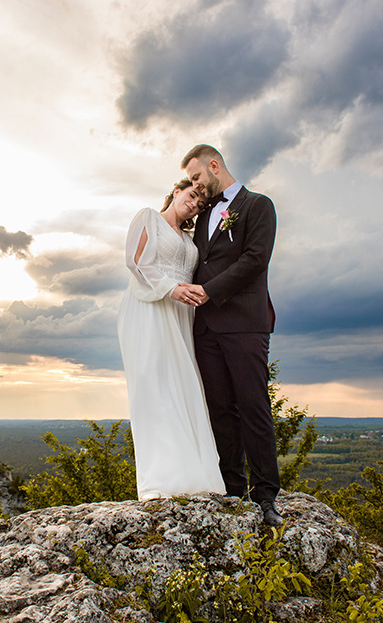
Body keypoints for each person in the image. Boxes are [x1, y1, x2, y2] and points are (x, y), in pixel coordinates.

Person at [175, 144, 283, 527]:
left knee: (253, 407)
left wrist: (209, 291)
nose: (196, 185)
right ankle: (233, 490)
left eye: (197, 177)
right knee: (220, 410)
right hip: (205, 328)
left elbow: (255, 260)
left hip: (243, 323)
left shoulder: (258, 206)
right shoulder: (203, 214)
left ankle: (267, 495)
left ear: (214, 165)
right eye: (191, 182)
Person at [117, 178, 226, 500]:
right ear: (176, 191)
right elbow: (135, 262)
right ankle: (161, 480)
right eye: (192, 195)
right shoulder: (148, 217)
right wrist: (172, 288)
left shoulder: (192, 239)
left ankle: (195, 476)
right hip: (149, 308)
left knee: (184, 388)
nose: (194, 204)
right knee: (154, 387)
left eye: (200, 203)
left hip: (182, 316)